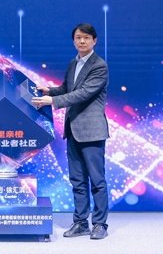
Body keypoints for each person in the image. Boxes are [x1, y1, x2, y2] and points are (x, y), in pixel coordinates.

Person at [32, 23, 110, 240]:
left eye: (86, 38)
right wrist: (49, 91)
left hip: (92, 131)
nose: (82, 41)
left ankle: (100, 224)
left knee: (97, 180)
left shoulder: (99, 65)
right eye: (78, 37)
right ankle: (80, 222)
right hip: (73, 129)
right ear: (74, 40)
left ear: (94, 41)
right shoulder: (73, 63)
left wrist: (53, 101)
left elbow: (84, 93)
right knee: (77, 180)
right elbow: (67, 89)